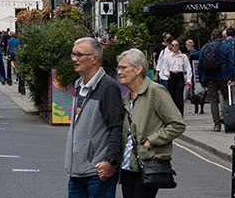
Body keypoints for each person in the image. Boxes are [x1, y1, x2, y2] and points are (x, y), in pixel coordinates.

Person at [116, 48, 186, 198]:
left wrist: (151, 140)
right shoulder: (127, 97)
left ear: (138, 69)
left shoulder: (156, 91)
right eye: (118, 67)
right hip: (127, 165)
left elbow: (177, 124)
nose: (119, 71)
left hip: (148, 162)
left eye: (123, 67)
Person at [66, 37, 125, 198]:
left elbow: (116, 127)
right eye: (73, 54)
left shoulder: (108, 87)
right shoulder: (79, 85)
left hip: (98, 173)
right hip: (77, 172)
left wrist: (111, 161)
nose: (74, 59)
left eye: (79, 55)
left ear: (94, 58)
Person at [200, 30, 235, 132]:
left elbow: (200, 64)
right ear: (221, 37)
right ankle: (225, 119)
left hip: (210, 77)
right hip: (224, 77)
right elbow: (231, 63)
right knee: (226, 99)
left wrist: (202, 81)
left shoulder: (205, 47)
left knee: (213, 101)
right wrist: (232, 78)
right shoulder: (226, 47)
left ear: (212, 37)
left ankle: (216, 124)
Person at [154, 40, 192, 115]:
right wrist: (167, 73)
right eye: (173, 45)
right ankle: (173, 115)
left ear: (179, 46)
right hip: (171, 76)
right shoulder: (168, 56)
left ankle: (180, 115)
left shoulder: (183, 56)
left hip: (179, 75)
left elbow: (188, 68)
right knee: (171, 96)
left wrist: (188, 79)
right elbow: (164, 66)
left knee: (179, 96)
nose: (175, 46)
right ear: (170, 46)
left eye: (176, 45)